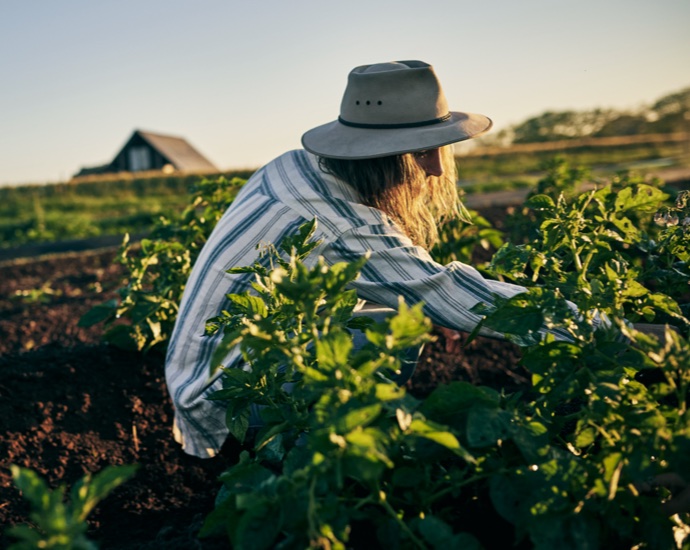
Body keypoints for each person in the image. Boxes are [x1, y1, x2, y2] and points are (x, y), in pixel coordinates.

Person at [163, 60, 614, 458]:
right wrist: (607, 333)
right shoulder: (344, 221)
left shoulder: (297, 165)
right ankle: (316, 460)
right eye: (421, 151)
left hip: (203, 372)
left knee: (388, 312)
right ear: (378, 157)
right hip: (226, 400)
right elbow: (449, 294)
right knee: (389, 333)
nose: (437, 168)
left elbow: (401, 277)